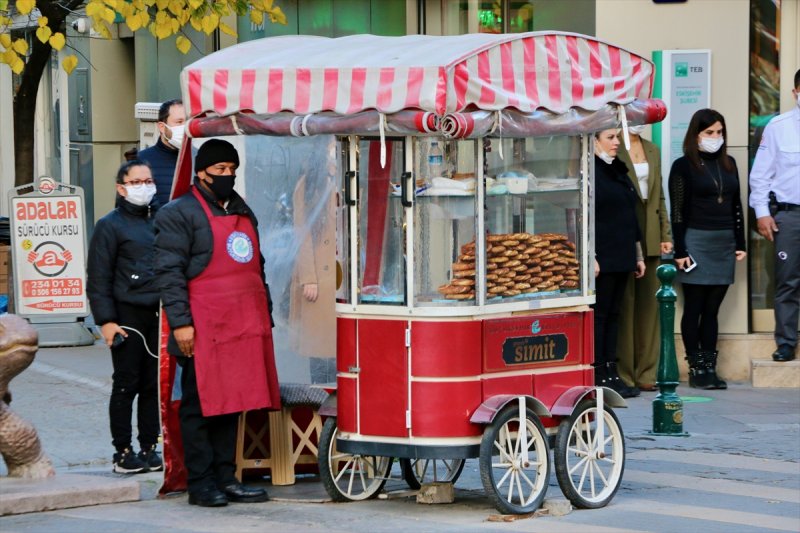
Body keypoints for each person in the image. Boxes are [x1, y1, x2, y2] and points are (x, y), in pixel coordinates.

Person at [154, 139, 280, 507]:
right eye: (219, 170)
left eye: (231, 170)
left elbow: (257, 265)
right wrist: (181, 324)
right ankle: (201, 481)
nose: (227, 176)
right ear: (200, 172)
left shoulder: (243, 209)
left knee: (233, 402)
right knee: (198, 405)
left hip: (242, 322)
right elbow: (169, 273)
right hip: (201, 325)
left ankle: (228, 477)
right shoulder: (177, 213)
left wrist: (264, 315)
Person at [86, 160, 163, 474]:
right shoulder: (110, 224)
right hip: (126, 315)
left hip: (158, 314)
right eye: (136, 181)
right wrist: (105, 320)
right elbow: (99, 277)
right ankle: (122, 451)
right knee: (126, 384)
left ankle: (149, 447)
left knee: (152, 386)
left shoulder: (163, 218)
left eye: (148, 180)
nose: (143, 186)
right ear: (121, 187)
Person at [669, 109, 747, 389]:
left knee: (712, 308)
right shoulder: (683, 165)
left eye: (719, 132)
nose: (715, 138)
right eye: (709, 133)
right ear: (696, 135)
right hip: (696, 242)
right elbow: (676, 211)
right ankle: (696, 369)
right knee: (694, 307)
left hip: (723, 241)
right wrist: (680, 250)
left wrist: (740, 242)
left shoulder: (730, 164)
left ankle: (710, 369)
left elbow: (736, 205)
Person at [749, 69, 800, 363]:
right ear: (794, 93)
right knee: (787, 282)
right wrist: (763, 213)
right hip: (790, 216)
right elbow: (761, 177)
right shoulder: (778, 127)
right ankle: (786, 343)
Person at [616, 127, 673, 391]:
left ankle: (648, 373)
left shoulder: (652, 149)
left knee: (650, 307)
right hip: (626, 234)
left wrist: (666, 233)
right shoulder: (614, 144)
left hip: (650, 234)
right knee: (626, 306)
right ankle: (624, 373)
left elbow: (659, 193)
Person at [593, 128, 645, 399]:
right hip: (602, 256)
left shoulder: (618, 169)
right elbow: (581, 216)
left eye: (617, 137)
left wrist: (637, 254)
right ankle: (599, 371)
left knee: (615, 315)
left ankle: (612, 371)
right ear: (594, 141)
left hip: (623, 253)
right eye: (610, 138)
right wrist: (589, 255)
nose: (616, 143)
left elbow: (631, 214)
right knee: (600, 315)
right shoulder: (591, 171)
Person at [138, 99, 185, 206]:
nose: (184, 127)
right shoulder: (141, 160)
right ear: (162, 127)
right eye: (179, 122)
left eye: (188, 121)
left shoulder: (198, 157)